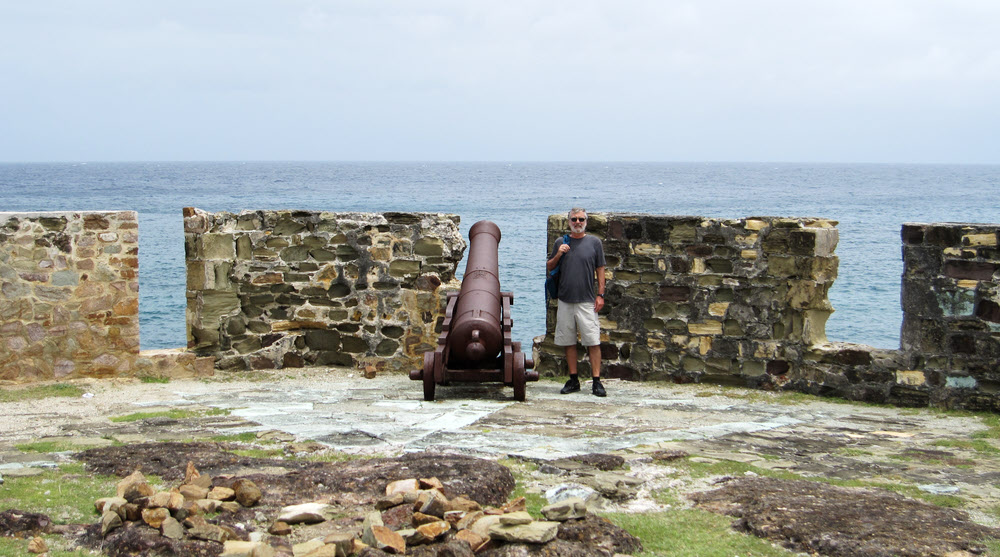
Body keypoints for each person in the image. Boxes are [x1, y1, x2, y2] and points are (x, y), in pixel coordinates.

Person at [547, 207, 607, 397]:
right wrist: (559, 254)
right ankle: (573, 380)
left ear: (586, 221)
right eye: (574, 219)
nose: (578, 222)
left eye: (581, 219)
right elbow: (550, 266)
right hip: (565, 299)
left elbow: (600, 270)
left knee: (593, 341)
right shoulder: (560, 242)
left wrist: (600, 295)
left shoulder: (594, 243)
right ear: (569, 222)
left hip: (587, 300)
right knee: (568, 341)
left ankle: (596, 381)